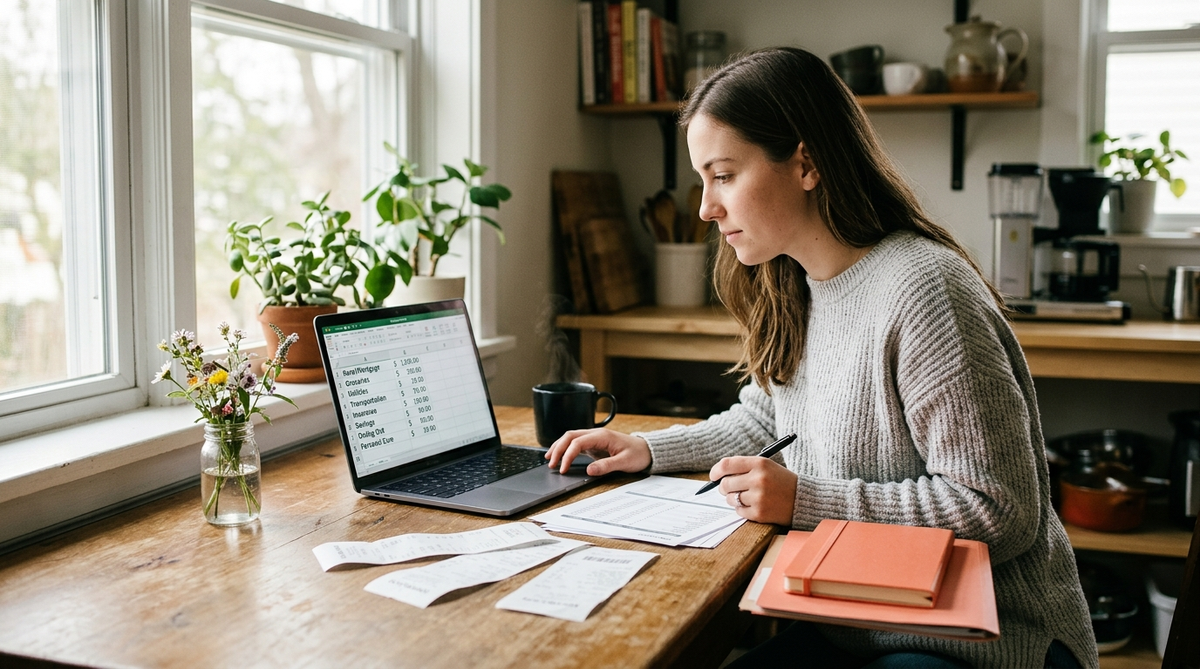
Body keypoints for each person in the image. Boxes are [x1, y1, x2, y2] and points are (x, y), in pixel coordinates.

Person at [546, 47, 1097, 669]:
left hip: (987, 645)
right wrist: (650, 450)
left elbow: (999, 510)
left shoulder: (924, 290)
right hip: (861, 626)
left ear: (805, 163)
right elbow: (767, 422)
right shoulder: (797, 282)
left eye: (724, 175)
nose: (705, 207)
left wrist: (803, 501)